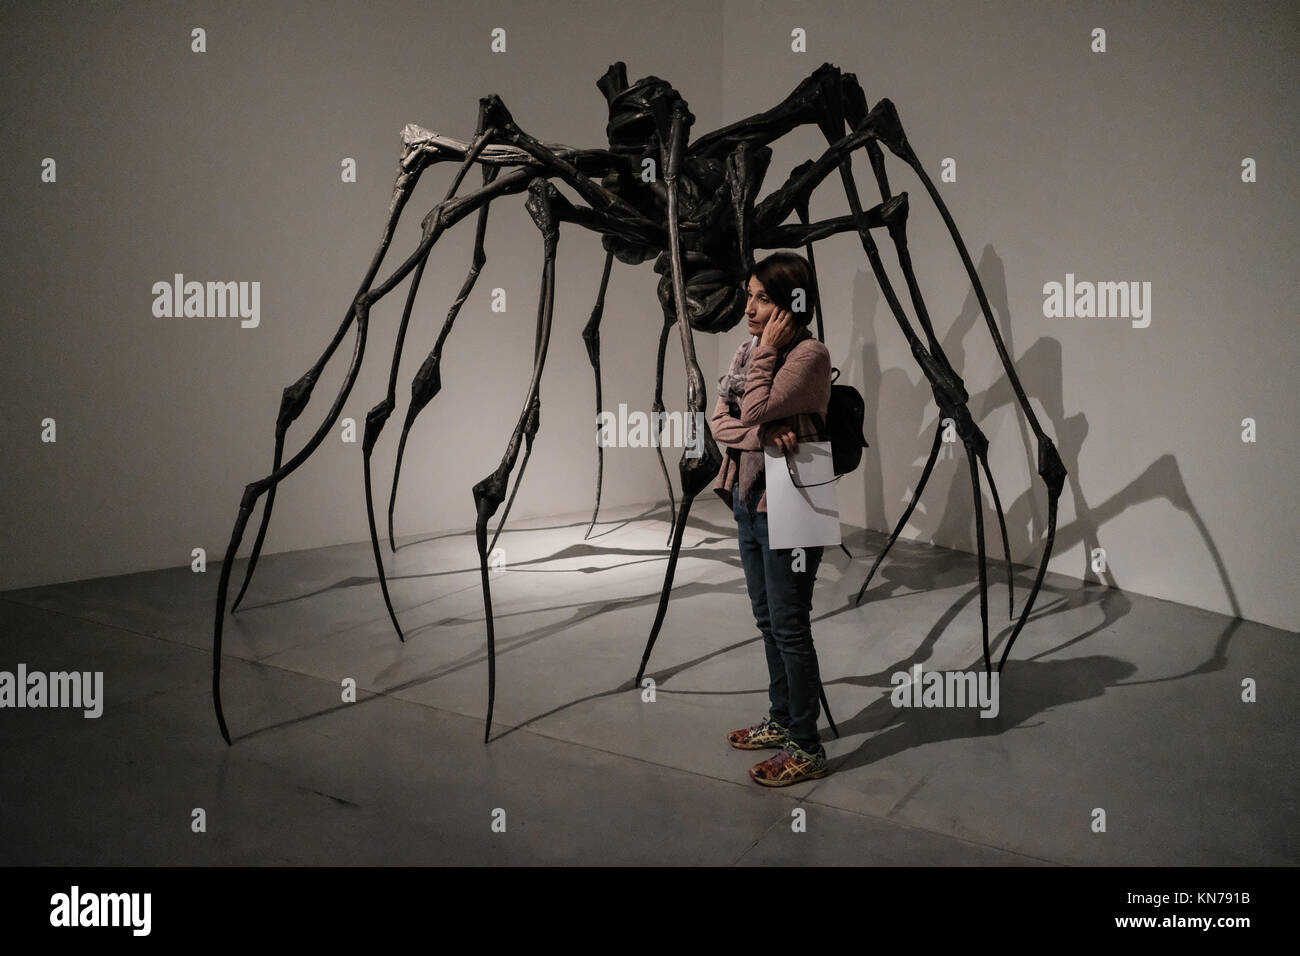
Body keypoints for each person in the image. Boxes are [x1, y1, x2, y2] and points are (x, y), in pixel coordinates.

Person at [709, 252, 833, 787]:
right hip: (747, 499)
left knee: (790, 626)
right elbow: (720, 421)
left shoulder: (809, 355)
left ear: (791, 303)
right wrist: (758, 435)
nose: (749, 308)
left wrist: (763, 361)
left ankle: (806, 746)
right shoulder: (745, 349)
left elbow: (754, 408)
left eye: (762, 298)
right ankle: (782, 719)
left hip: (795, 504)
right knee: (767, 621)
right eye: (749, 295)